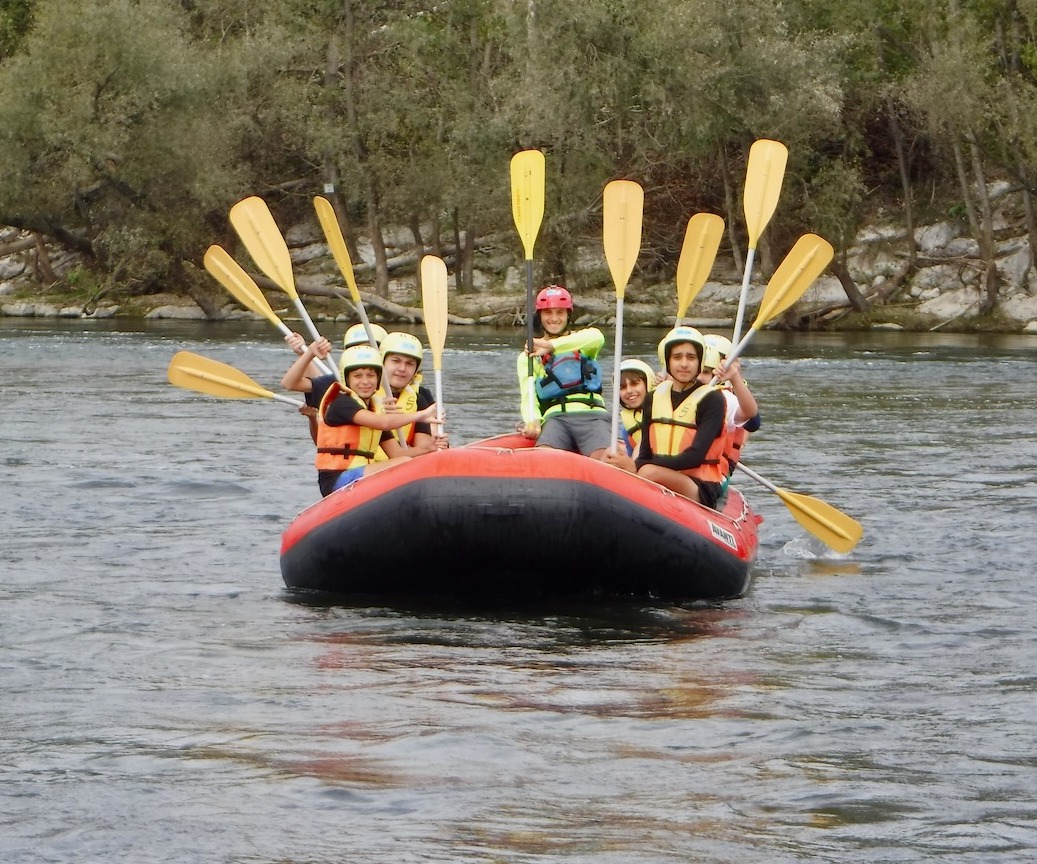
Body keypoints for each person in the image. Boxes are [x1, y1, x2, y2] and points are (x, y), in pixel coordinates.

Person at [314, 343, 439, 497]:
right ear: (347, 378)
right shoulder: (342, 403)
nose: (365, 381)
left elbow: (396, 453)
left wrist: (431, 449)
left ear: (379, 378)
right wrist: (421, 415)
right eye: (358, 376)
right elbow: (383, 423)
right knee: (404, 463)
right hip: (337, 479)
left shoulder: (375, 409)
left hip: (361, 473)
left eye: (371, 375)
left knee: (406, 460)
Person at [628, 326, 729, 509]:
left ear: (700, 361)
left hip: (700, 485)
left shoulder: (712, 399)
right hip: (658, 474)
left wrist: (644, 467)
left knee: (647, 472)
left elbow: (695, 457)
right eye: (677, 357)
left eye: (691, 357)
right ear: (667, 361)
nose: (684, 364)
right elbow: (644, 453)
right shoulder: (653, 397)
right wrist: (640, 465)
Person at [517, 285, 614, 459]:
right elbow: (528, 394)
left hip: (592, 414)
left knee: (603, 457)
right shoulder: (528, 356)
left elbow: (597, 336)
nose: (554, 319)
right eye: (548, 313)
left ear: (568, 315)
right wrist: (533, 421)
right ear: (539, 316)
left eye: (560, 312)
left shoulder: (582, 343)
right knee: (544, 458)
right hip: (556, 417)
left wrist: (551, 346)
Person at [283, 324, 387, 444]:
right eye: (355, 349)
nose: (362, 354)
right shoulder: (338, 384)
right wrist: (307, 353)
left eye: (369, 348)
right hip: (358, 460)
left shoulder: (403, 384)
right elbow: (290, 384)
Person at [698, 333, 761, 485]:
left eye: (707, 370)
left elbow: (753, 422)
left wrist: (735, 377)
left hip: (718, 466)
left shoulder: (730, 393)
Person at [377, 330, 449, 456]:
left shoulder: (418, 400)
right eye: (395, 361)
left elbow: (423, 447)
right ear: (382, 362)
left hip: (402, 464)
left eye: (409, 364)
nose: (402, 369)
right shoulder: (366, 396)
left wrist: (436, 445)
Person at [617, 357, 655, 457]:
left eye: (634, 384)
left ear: (648, 383)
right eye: (623, 387)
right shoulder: (626, 427)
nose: (629, 391)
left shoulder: (664, 408)